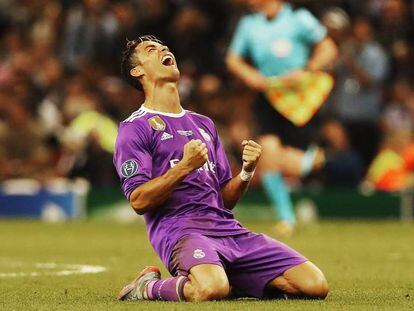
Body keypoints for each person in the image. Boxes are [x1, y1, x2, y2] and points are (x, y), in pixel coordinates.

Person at [114, 35, 328, 302]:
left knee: (314, 285)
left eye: (164, 46)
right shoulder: (135, 128)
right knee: (210, 289)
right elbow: (138, 200)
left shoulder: (204, 124)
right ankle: (146, 287)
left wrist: (247, 172)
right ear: (138, 71)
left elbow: (224, 200)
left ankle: (234, 282)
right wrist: (184, 167)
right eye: (151, 50)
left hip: (228, 230)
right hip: (182, 231)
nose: (164, 49)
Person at [226, 0, 337, 235]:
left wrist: (307, 69)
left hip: (299, 99)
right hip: (269, 96)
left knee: (280, 160)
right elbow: (233, 60)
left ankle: (308, 164)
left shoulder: (299, 18)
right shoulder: (249, 24)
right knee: (267, 154)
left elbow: (328, 48)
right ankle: (287, 217)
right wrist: (251, 75)